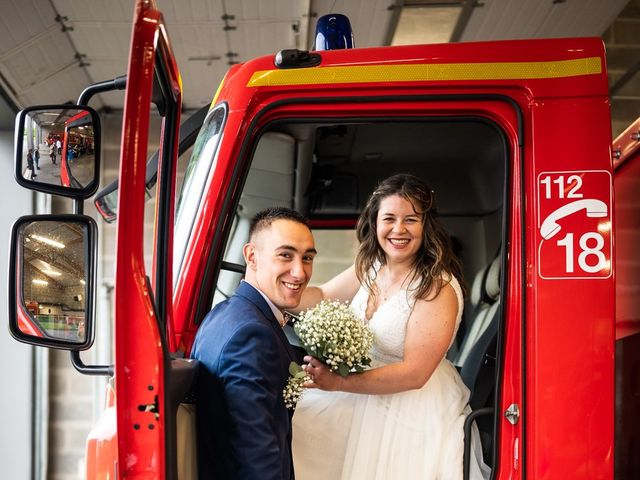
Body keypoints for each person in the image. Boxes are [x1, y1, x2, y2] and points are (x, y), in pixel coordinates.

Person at [292, 173, 490, 480]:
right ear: (375, 223)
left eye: (410, 219)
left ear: (426, 226)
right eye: (389, 218)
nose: (398, 229)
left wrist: (338, 383)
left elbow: (415, 373)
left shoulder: (436, 287)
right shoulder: (371, 266)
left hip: (410, 407)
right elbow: (321, 295)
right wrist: (275, 295)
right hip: (363, 398)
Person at [191, 207, 317, 480]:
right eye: (286, 255)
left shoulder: (223, 314)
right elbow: (255, 448)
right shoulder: (252, 334)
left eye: (307, 258)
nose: (300, 272)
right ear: (251, 256)